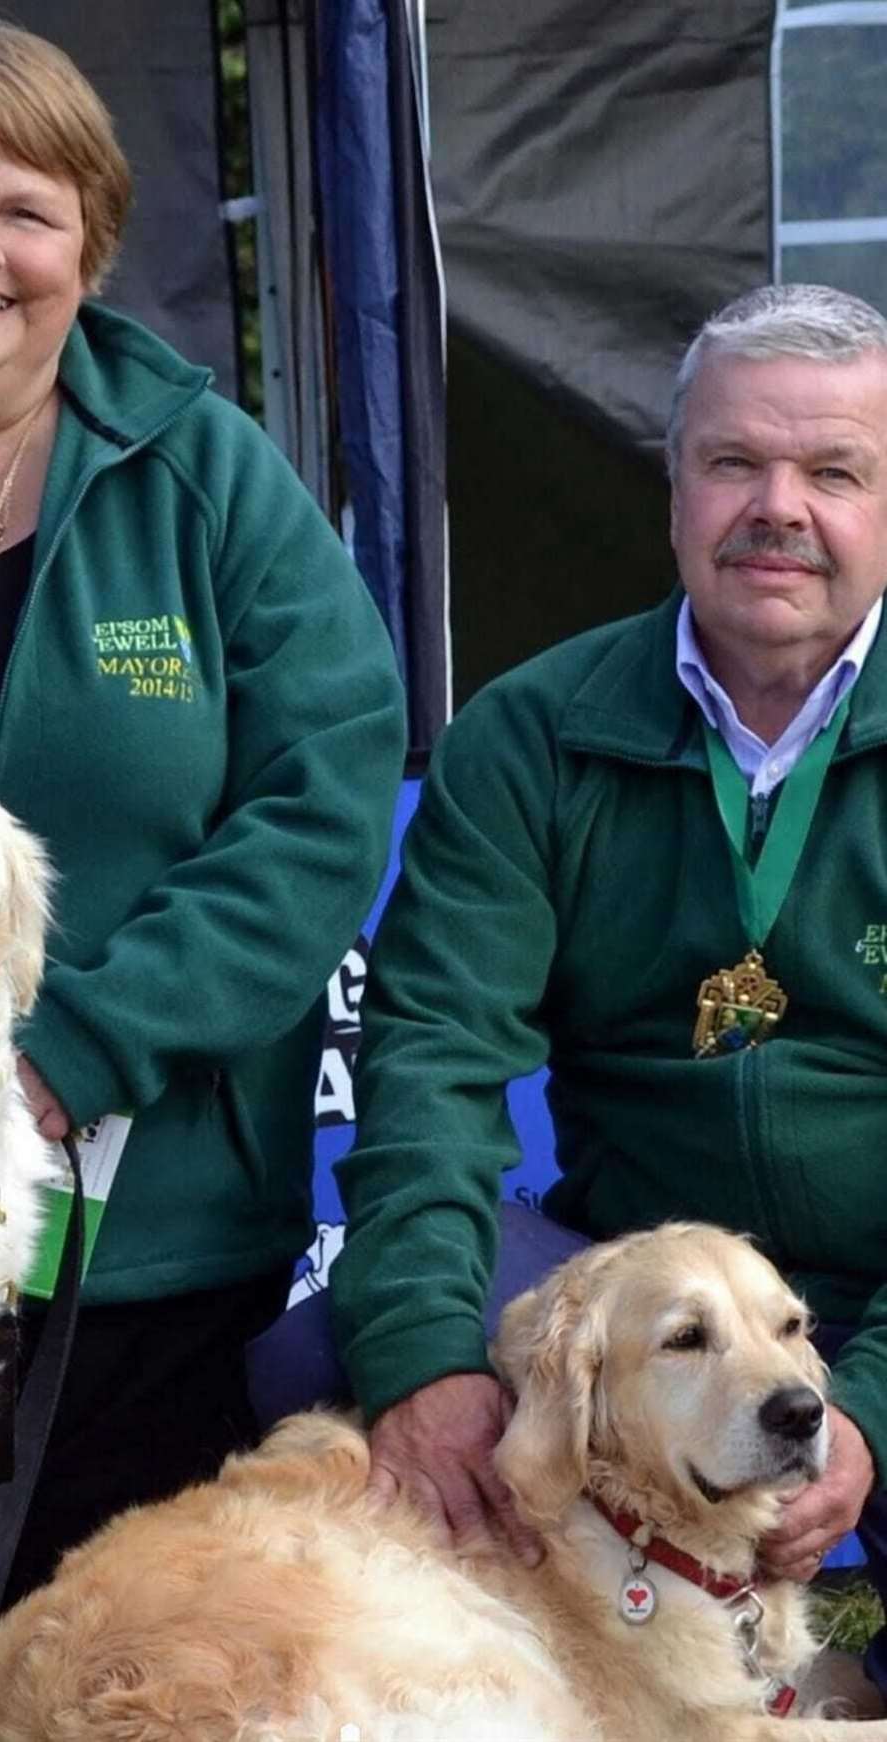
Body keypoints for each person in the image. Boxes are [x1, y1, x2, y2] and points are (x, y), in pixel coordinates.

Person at [0, 10, 405, 1729]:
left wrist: (67, 1056)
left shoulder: (210, 474)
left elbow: (321, 792)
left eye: (30, 208)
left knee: (113, 1682)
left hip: (143, 1245)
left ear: (93, 246)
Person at [331, 281, 887, 1706]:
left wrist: (869, 1405)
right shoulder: (532, 733)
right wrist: (420, 1362)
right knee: (307, 1380)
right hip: (641, 1285)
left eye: (833, 471)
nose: (780, 506)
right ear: (675, 487)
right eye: (734, 463)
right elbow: (436, 1063)